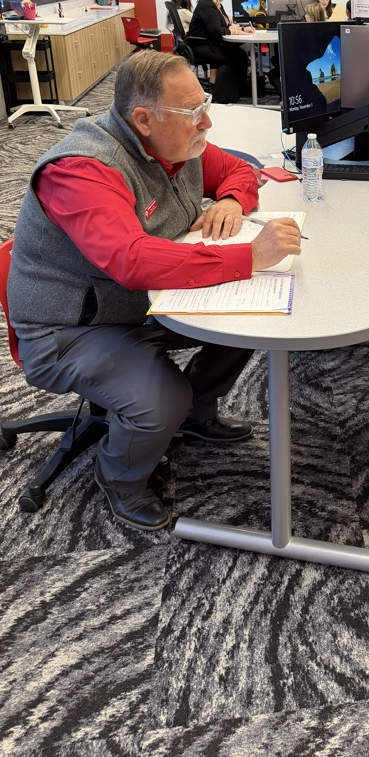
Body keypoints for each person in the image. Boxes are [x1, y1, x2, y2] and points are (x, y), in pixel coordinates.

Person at [7, 52, 301, 532]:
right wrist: (248, 257)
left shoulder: (175, 144)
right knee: (162, 397)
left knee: (254, 320)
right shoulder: (81, 170)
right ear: (143, 119)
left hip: (140, 306)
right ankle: (119, 477)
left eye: (204, 105)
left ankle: (196, 412)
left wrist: (230, 198)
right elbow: (131, 259)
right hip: (68, 329)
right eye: (193, 112)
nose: (206, 121)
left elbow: (241, 170)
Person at [186, 0, 253, 104]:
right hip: (201, 46)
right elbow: (215, 31)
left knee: (241, 55)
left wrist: (242, 30)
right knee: (233, 57)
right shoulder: (206, 5)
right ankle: (222, 97)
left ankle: (237, 92)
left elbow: (225, 26)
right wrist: (235, 31)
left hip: (211, 43)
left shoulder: (216, 6)